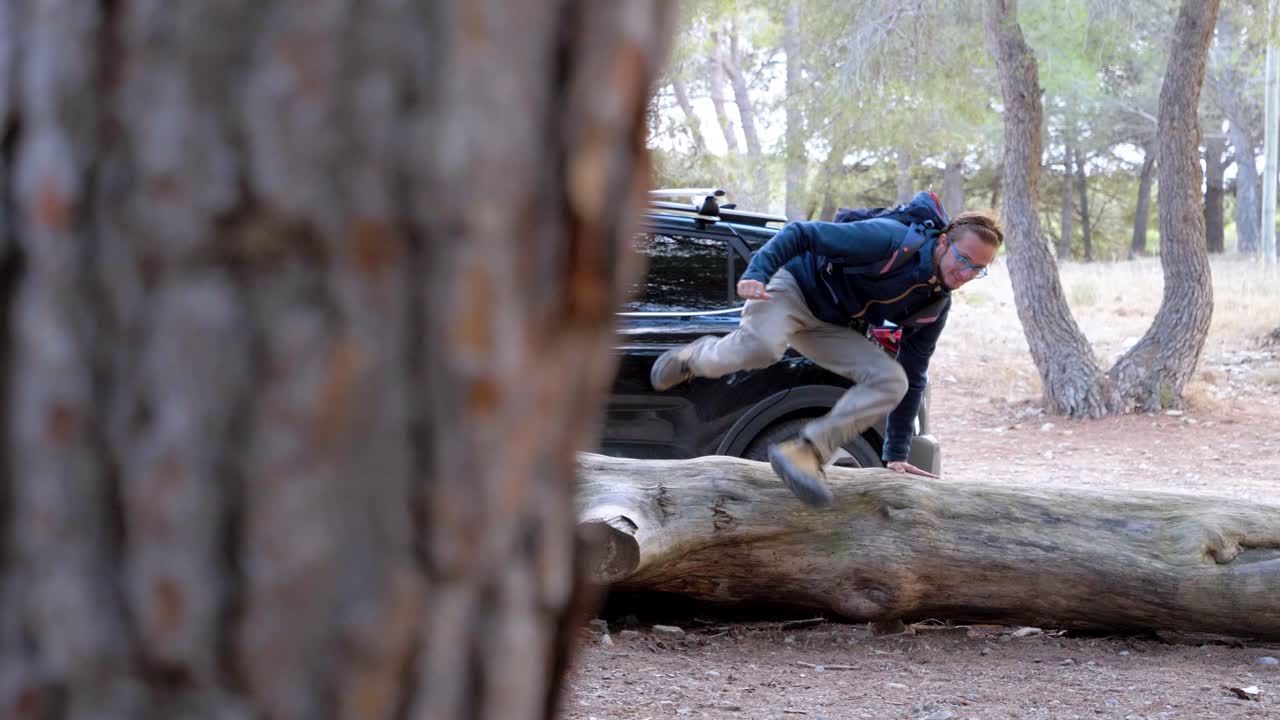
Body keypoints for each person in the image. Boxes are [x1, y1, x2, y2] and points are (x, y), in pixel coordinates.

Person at [649, 192, 1003, 507]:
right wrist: (757, 271)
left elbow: (913, 374)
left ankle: (806, 453)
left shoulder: (934, 304)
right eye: (964, 258)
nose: (967, 272)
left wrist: (894, 454)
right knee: (762, 349)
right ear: (943, 243)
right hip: (791, 289)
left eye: (979, 268)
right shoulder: (891, 240)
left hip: (830, 324)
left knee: (890, 379)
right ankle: (692, 358)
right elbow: (800, 233)